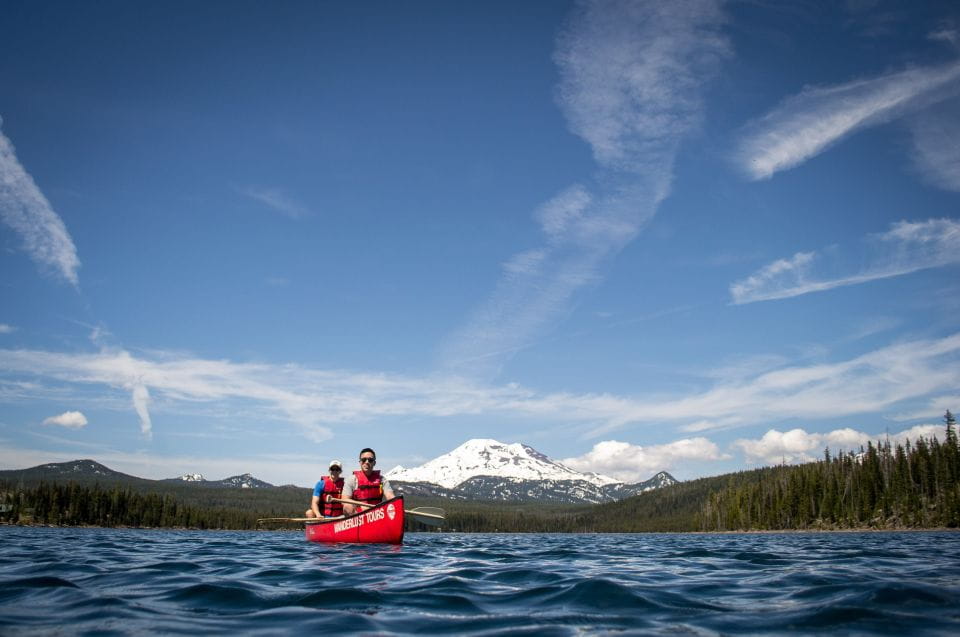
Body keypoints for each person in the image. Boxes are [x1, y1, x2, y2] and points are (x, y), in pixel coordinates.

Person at [342, 447, 395, 515]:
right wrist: (361, 505)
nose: (367, 462)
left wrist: (396, 504)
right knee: (347, 506)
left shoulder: (382, 480)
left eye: (370, 460)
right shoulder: (351, 480)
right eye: (364, 460)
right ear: (360, 462)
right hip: (358, 514)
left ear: (374, 463)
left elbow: (390, 496)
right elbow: (344, 500)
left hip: (377, 513)